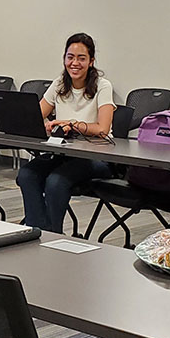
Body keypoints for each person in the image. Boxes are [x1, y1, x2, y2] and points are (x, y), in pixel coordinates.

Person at [15, 33, 116, 233]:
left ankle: (50, 236)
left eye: (81, 58)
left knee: (56, 181)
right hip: (63, 153)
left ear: (91, 61)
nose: (75, 63)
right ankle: (40, 231)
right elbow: (35, 117)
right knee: (27, 174)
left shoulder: (103, 86)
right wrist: (45, 125)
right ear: (64, 59)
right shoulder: (60, 83)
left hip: (96, 158)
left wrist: (70, 123)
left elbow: (102, 129)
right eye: (70, 57)